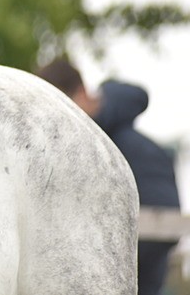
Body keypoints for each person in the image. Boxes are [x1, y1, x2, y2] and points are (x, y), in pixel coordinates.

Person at [36, 58, 181, 295]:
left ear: (82, 93)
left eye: (64, 105)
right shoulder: (116, 132)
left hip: (138, 247)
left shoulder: (105, 138)